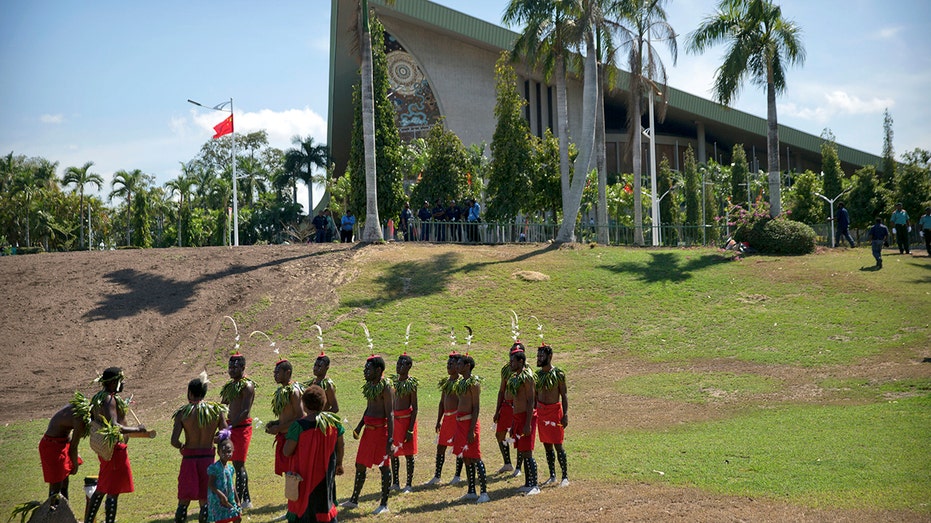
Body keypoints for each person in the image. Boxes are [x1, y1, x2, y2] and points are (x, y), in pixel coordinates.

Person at [86, 367, 147, 523]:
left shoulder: (98, 398)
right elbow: (114, 426)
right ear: (113, 382)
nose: (123, 383)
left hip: (105, 449)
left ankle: (89, 521)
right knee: (112, 491)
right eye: (121, 381)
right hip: (114, 450)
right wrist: (137, 429)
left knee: (102, 487)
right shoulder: (109, 399)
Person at [282, 385, 345, 523]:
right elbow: (341, 445)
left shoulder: (298, 426)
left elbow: (287, 451)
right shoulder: (334, 423)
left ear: (304, 404)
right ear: (323, 404)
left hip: (303, 477)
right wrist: (339, 463)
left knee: (304, 506)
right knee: (324, 504)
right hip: (325, 474)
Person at [171, 373, 227, 523]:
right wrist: (214, 438)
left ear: (190, 393)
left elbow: (174, 441)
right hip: (208, 459)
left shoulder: (183, 413)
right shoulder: (216, 411)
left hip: (189, 459)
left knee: (183, 500)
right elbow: (226, 433)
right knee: (205, 500)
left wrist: (183, 447)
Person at [342, 355, 394, 515]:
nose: (365, 371)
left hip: (381, 432)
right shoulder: (371, 385)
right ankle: (354, 500)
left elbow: (390, 414)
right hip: (368, 432)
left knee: (384, 467)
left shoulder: (386, 387)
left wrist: (390, 439)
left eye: (368, 369)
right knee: (360, 464)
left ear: (378, 370)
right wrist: (359, 426)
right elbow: (369, 408)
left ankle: (384, 504)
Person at [452, 354, 490, 503]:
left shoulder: (474, 383)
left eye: (460, 363)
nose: (457, 366)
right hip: (460, 423)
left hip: (469, 424)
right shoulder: (461, 382)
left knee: (475, 457)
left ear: (468, 366)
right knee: (466, 456)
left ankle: (484, 493)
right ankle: (471, 490)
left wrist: (472, 430)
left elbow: (476, 407)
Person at [219, 353, 255, 510]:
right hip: (231, 427)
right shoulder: (230, 386)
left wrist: (230, 426)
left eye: (235, 367)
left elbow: (245, 411)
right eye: (230, 367)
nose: (231, 370)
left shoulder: (248, 386)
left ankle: (240, 501)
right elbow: (223, 406)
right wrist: (220, 423)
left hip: (241, 429)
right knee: (234, 463)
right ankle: (245, 499)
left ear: (243, 367)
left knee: (239, 464)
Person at [40, 391, 90, 499]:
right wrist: (75, 464)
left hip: (61, 444)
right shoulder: (80, 418)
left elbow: (68, 434)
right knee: (56, 485)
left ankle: (64, 512)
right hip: (52, 447)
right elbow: (74, 445)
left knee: (64, 482)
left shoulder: (78, 409)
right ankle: (52, 513)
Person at [425, 352, 464, 486]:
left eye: (451, 364)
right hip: (446, 419)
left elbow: (462, 402)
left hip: (457, 418)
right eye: (447, 364)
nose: (448, 366)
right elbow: (442, 403)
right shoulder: (447, 382)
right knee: (441, 446)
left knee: (458, 447)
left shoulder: (461, 382)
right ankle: (437, 476)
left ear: (458, 366)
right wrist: (438, 420)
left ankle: (457, 475)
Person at [535, 344, 569, 487]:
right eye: (538, 356)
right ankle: (552, 475)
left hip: (555, 412)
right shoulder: (537, 376)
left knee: (558, 445)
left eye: (541, 356)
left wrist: (565, 414)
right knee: (547, 444)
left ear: (549, 357)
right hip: (542, 412)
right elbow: (535, 395)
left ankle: (565, 476)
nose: (538, 359)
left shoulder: (559, 374)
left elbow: (564, 395)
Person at [508, 348, 540, 496]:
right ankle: (528, 483)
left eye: (513, 361)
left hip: (527, 418)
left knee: (528, 452)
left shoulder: (527, 377)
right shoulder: (516, 377)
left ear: (520, 361)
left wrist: (527, 423)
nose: (510, 363)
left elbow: (531, 401)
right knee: (522, 451)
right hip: (518, 418)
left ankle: (535, 485)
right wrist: (514, 423)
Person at [265, 360, 304, 478]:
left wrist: (279, 427)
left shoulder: (294, 392)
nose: (275, 375)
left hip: (293, 437)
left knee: (294, 472)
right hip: (285, 435)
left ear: (288, 373)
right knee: (289, 473)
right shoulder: (282, 391)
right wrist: (275, 423)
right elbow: (288, 416)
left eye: (278, 372)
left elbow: (301, 416)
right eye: (274, 372)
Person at [492, 342, 523, 476]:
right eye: (511, 352)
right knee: (500, 434)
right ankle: (508, 463)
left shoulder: (526, 372)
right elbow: (501, 390)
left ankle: (519, 467)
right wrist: (497, 410)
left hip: (518, 407)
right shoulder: (505, 370)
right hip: (505, 407)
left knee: (519, 437)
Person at [390, 353, 418, 493]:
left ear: (408, 366)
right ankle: (395, 482)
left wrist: (410, 429)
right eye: (397, 364)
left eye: (402, 364)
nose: (398, 367)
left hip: (407, 421)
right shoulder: (393, 382)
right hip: (395, 420)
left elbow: (415, 407)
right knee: (393, 452)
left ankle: (408, 484)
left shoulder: (411, 384)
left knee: (408, 453)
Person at [207, 436, 242, 523]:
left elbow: (232, 485)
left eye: (229, 451)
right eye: (224, 452)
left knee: (237, 517)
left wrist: (238, 501)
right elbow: (211, 485)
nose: (227, 454)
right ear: (218, 452)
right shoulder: (215, 468)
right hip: (218, 500)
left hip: (229, 499)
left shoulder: (230, 468)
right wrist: (221, 495)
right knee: (222, 519)